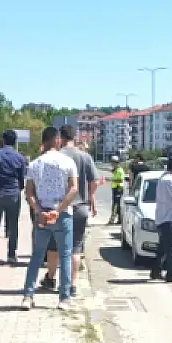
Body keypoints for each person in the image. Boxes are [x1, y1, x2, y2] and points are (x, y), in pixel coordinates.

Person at [21, 127, 79, 311]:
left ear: (43, 141)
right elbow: (74, 188)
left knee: (37, 256)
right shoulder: (68, 162)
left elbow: (28, 192)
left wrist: (39, 211)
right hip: (62, 216)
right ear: (57, 141)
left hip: (42, 216)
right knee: (65, 255)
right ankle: (64, 298)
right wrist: (59, 209)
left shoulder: (34, 164)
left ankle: (28, 296)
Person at [41, 124, 97, 298]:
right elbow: (93, 182)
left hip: (57, 207)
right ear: (75, 137)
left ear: (60, 138)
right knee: (75, 247)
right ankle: (72, 285)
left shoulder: (54, 157)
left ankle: (51, 278)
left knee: (53, 246)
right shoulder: (85, 157)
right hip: (80, 207)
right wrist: (90, 198)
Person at [0, 129, 26, 264]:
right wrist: (19, 188)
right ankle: (11, 254)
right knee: (13, 225)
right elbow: (21, 179)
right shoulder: (20, 157)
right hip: (13, 193)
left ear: (3, 140)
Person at [150, 156, 172, 282]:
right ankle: (171, 274)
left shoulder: (162, 178)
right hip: (169, 219)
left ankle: (155, 271)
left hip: (161, 218)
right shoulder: (170, 180)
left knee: (163, 248)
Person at [108, 156, 125, 224]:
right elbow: (113, 172)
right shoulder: (116, 170)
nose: (111, 164)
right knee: (116, 204)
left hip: (118, 188)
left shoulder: (119, 170)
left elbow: (120, 180)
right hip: (115, 188)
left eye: (112, 163)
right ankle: (119, 219)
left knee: (116, 205)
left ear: (116, 163)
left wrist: (110, 179)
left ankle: (113, 219)